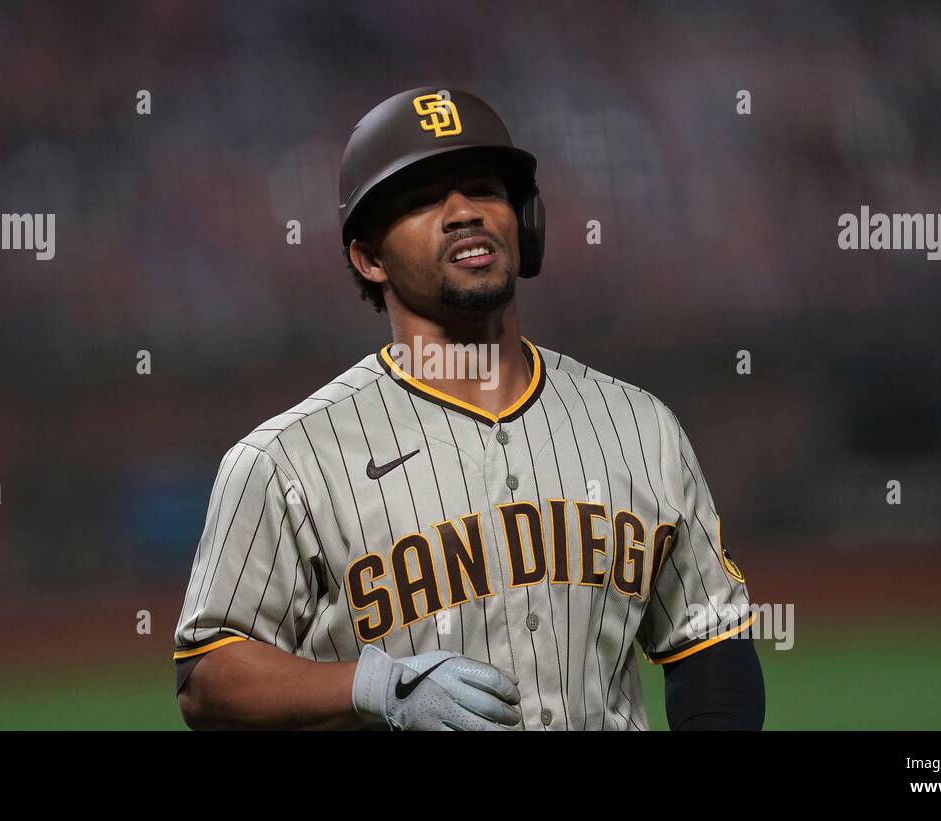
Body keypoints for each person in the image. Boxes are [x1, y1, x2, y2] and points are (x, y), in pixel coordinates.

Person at [173, 87, 764, 730]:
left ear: (524, 222)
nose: (462, 213)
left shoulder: (640, 427)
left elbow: (709, 646)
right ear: (369, 259)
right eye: (423, 199)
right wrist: (374, 687)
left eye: (483, 189)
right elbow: (208, 679)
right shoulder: (287, 459)